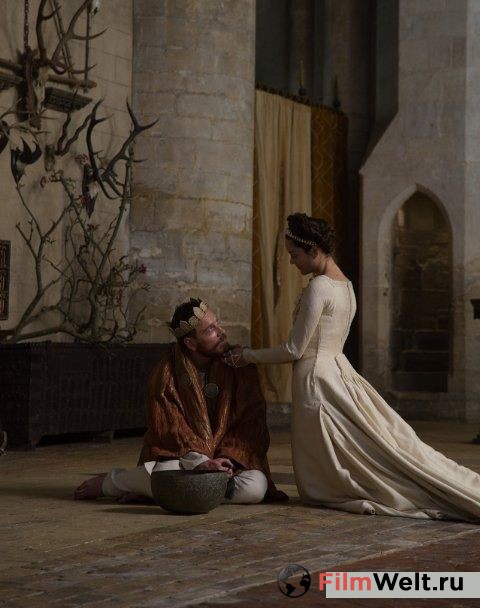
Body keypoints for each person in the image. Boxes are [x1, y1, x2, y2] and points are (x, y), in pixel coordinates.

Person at [223, 212, 480, 522]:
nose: (292, 262)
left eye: (295, 255)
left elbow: (294, 349)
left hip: (316, 380)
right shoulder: (346, 285)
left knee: (331, 473)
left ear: (313, 250)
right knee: (361, 449)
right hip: (337, 371)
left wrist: (246, 355)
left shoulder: (320, 287)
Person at [75, 298, 286, 505]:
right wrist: (201, 463)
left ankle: (169, 491)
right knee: (166, 471)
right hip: (185, 462)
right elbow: (170, 429)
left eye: (218, 323)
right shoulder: (165, 374)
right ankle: (111, 483)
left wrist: (226, 461)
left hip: (228, 465)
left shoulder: (240, 366)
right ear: (190, 343)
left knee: (256, 486)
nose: (221, 332)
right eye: (210, 330)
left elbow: (250, 424)